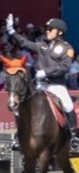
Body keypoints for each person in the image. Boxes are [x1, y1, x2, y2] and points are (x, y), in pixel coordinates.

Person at [7, 15, 77, 144]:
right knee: (24, 103)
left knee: (67, 104)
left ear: (60, 32)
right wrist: (12, 31)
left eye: (51, 29)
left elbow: (65, 67)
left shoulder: (67, 48)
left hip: (57, 85)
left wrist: (46, 72)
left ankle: (74, 137)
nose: (47, 31)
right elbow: (24, 43)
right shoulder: (42, 45)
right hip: (41, 85)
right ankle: (19, 136)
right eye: (47, 29)